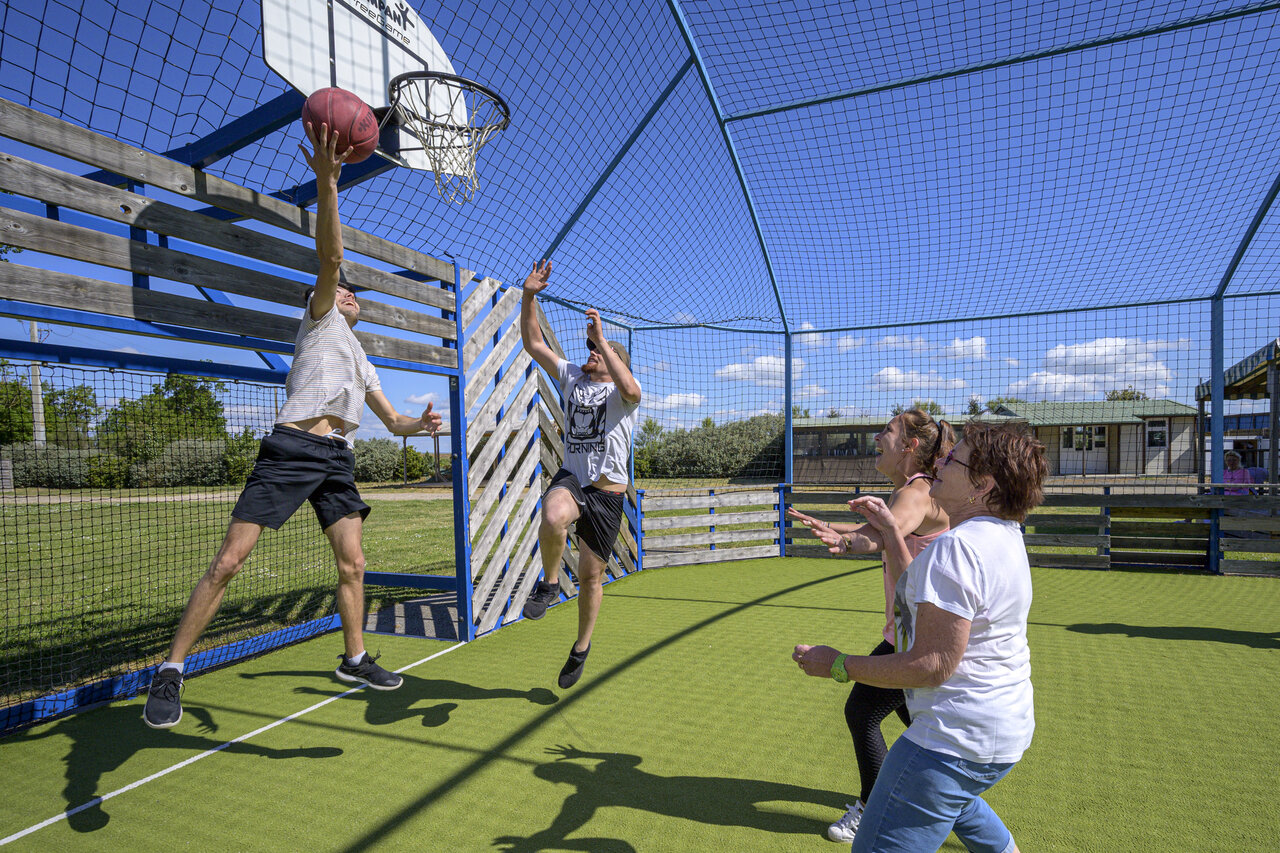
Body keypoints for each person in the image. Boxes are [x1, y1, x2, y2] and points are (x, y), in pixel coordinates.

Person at [142, 123, 443, 729]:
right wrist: (329, 182)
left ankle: (354, 658)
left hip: (338, 458)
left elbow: (392, 422)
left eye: (354, 294)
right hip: (292, 447)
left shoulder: (361, 358)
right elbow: (330, 257)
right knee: (229, 562)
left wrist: (422, 423)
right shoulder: (321, 319)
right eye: (342, 290)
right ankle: (171, 670)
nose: (348, 293)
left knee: (353, 564)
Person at [794, 420, 1047, 853]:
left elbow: (932, 665)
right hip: (1003, 733)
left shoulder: (959, 547)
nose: (942, 459)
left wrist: (837, 664)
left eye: (955, 458)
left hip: (953, 739)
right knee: (959, 801)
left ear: (981, 484)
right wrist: (893, 534)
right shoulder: (1004, 536)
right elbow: (926, 601)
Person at [786, 410, 953, 843]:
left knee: (860, 713)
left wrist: (844, 540)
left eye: (888, 431)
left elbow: (878, 536)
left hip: (915, 641)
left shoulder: (917, 494)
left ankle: (870, 806)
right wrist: (832, 528)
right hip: (905, 633)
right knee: (916, 724)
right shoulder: (911, 491)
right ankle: (954, 802)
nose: (878, 437)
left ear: (910, 447)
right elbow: (877, 529)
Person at [518, 259, 641, 689]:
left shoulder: (622, 394)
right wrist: (529, 294)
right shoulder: (572, 377)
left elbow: (632, 389)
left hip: (608, 494)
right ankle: (549, 584)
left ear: (614, 361)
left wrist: (603, 340)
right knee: (552, 517)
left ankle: (581, 647)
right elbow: (533, 342)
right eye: (589, 350)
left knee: (591, 576)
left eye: (599, 354)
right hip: (574, 479)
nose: (588, 353)